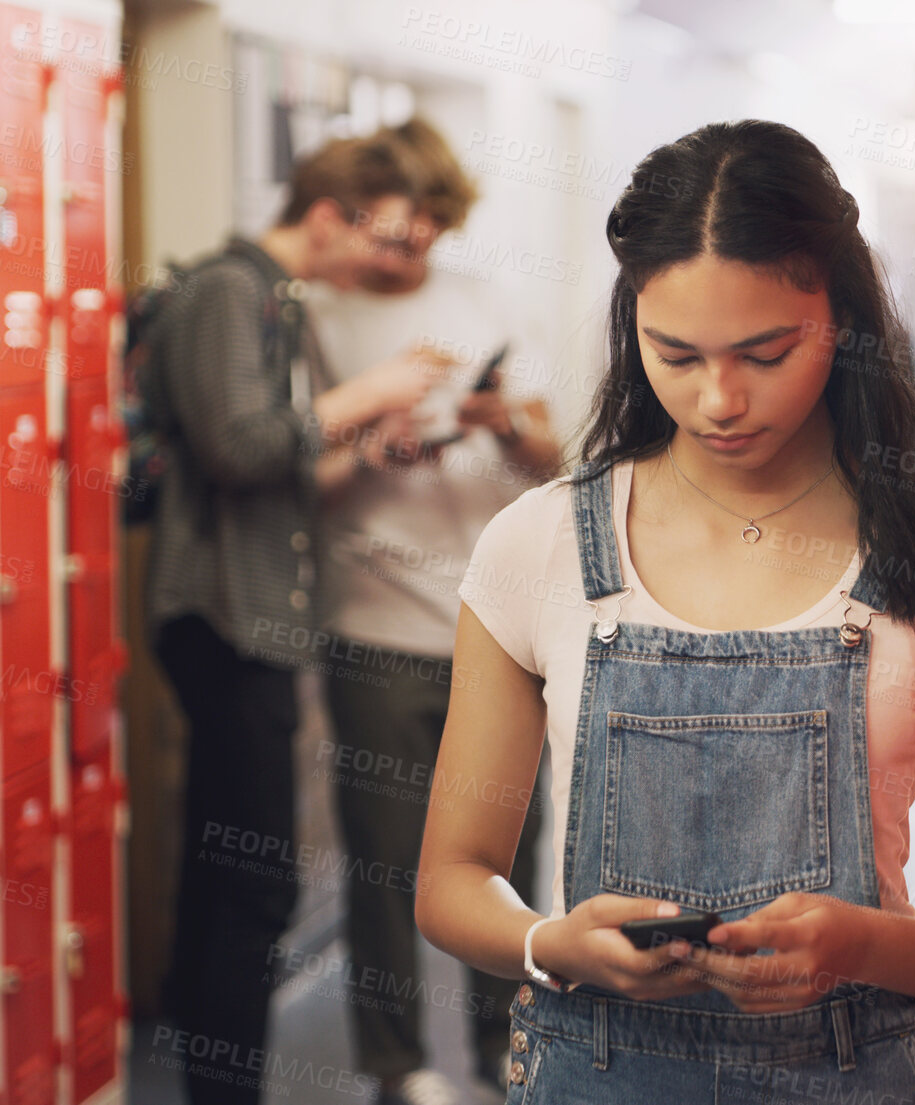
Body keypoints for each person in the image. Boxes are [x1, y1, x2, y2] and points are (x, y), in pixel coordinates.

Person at [416, 120, 915, 1103]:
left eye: (765, 352)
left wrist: (862, 944)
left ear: (841, 320)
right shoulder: (538, 545)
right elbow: (451, 880)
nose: (719, 399)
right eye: (673, 354)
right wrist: (550, 940)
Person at [145, 134, 456, 1105]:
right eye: (378, 233)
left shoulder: (273, 299)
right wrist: (364, 393)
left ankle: (216, 1085)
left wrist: (366, 443)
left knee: (236, 873)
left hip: (260, 620)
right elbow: (238, 448)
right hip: (224, 620)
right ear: (328, 214)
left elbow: (281, 476)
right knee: (252, 879)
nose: (385, 258)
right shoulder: (229, 292)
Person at [306, 117, 561, 1105]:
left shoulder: (485, 299)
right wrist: (375, 431)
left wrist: (500, 420)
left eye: (422, 230)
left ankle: (506, 1046)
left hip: (498, 627)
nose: (404, 249)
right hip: (370, 623)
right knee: (382, 857)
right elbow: (288, 473)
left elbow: (551, 451)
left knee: (508, 848)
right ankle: (395, 1063)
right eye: (385, 231)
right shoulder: (321, 314)